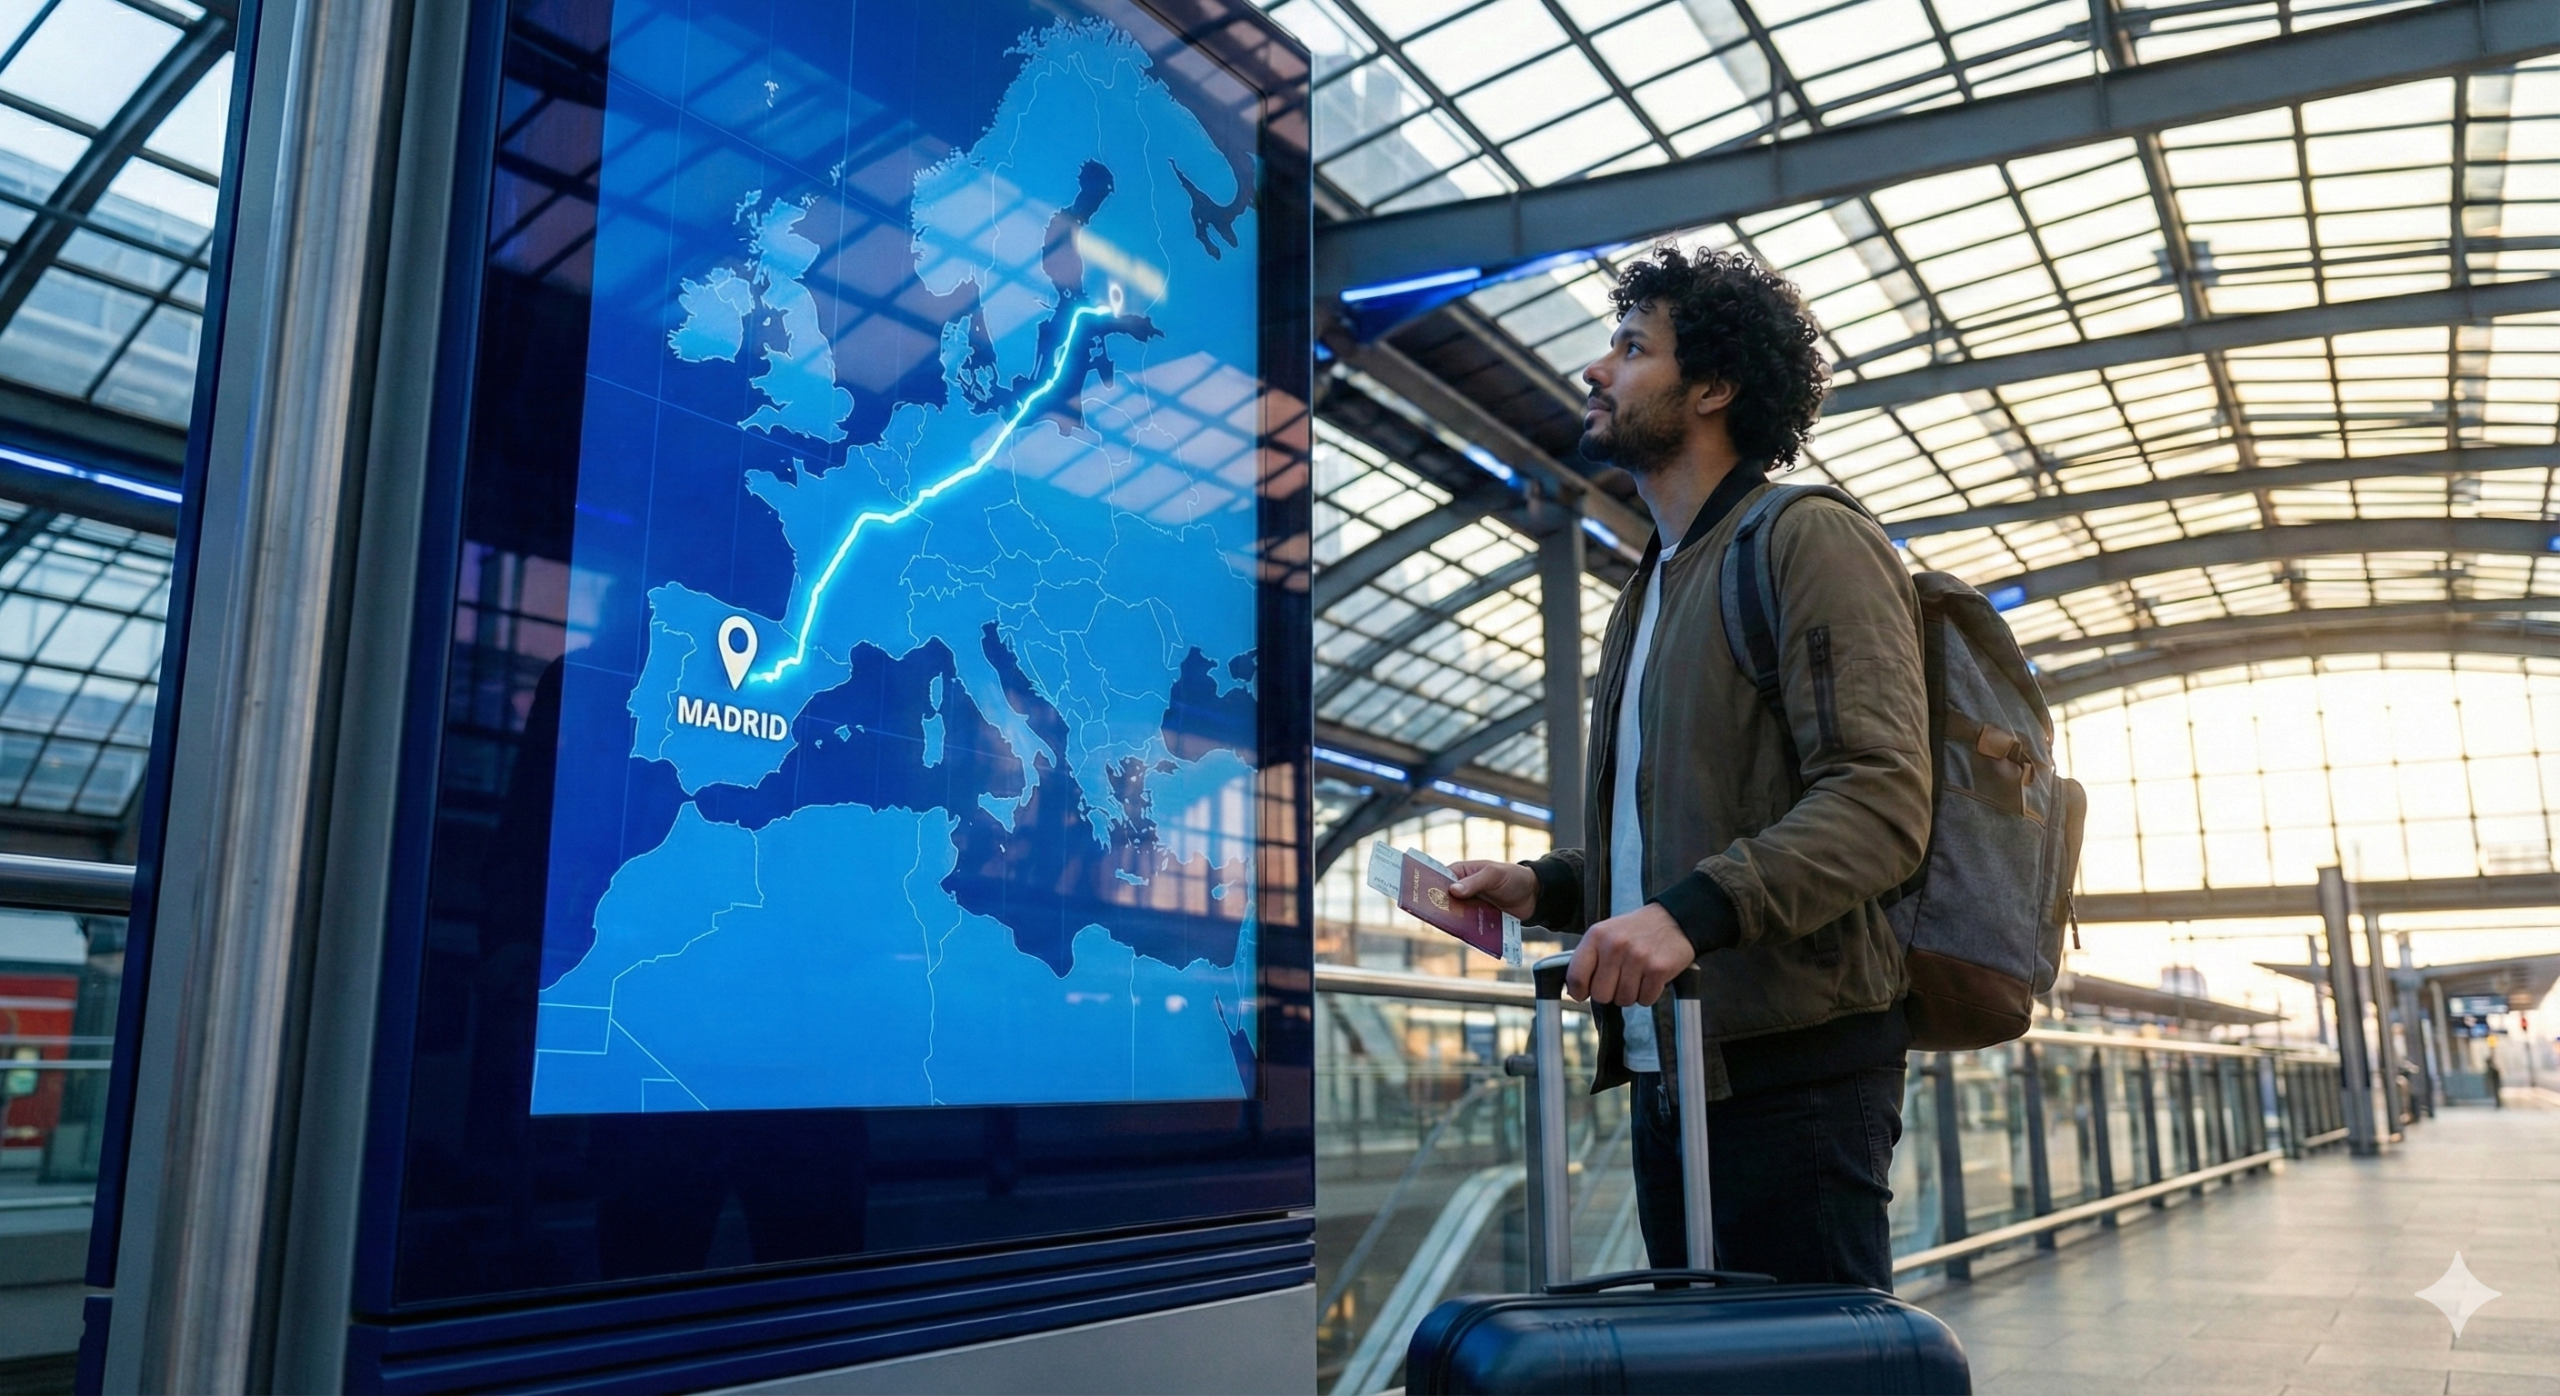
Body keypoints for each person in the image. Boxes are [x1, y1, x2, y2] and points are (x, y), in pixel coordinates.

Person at [1449, 246, 1931, 1292]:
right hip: (1675, 1066)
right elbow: (1679, 822)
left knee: (1809, 1380)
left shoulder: (1806, 540)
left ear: (1713, 387)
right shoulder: (1653, 583)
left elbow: (1881, 796)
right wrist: (1549, 887)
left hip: (1793, 1069)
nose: (1596, 369)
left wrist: (1687, 915)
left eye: (1631, 348)